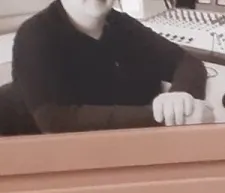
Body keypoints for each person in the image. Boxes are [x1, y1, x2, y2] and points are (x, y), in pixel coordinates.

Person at [11, 0, 211, 134]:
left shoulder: (122, 25)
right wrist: (163, 116)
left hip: (135, 151)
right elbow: (54, 119)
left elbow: (186, 61)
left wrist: (180, 98)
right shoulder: (34, 36)